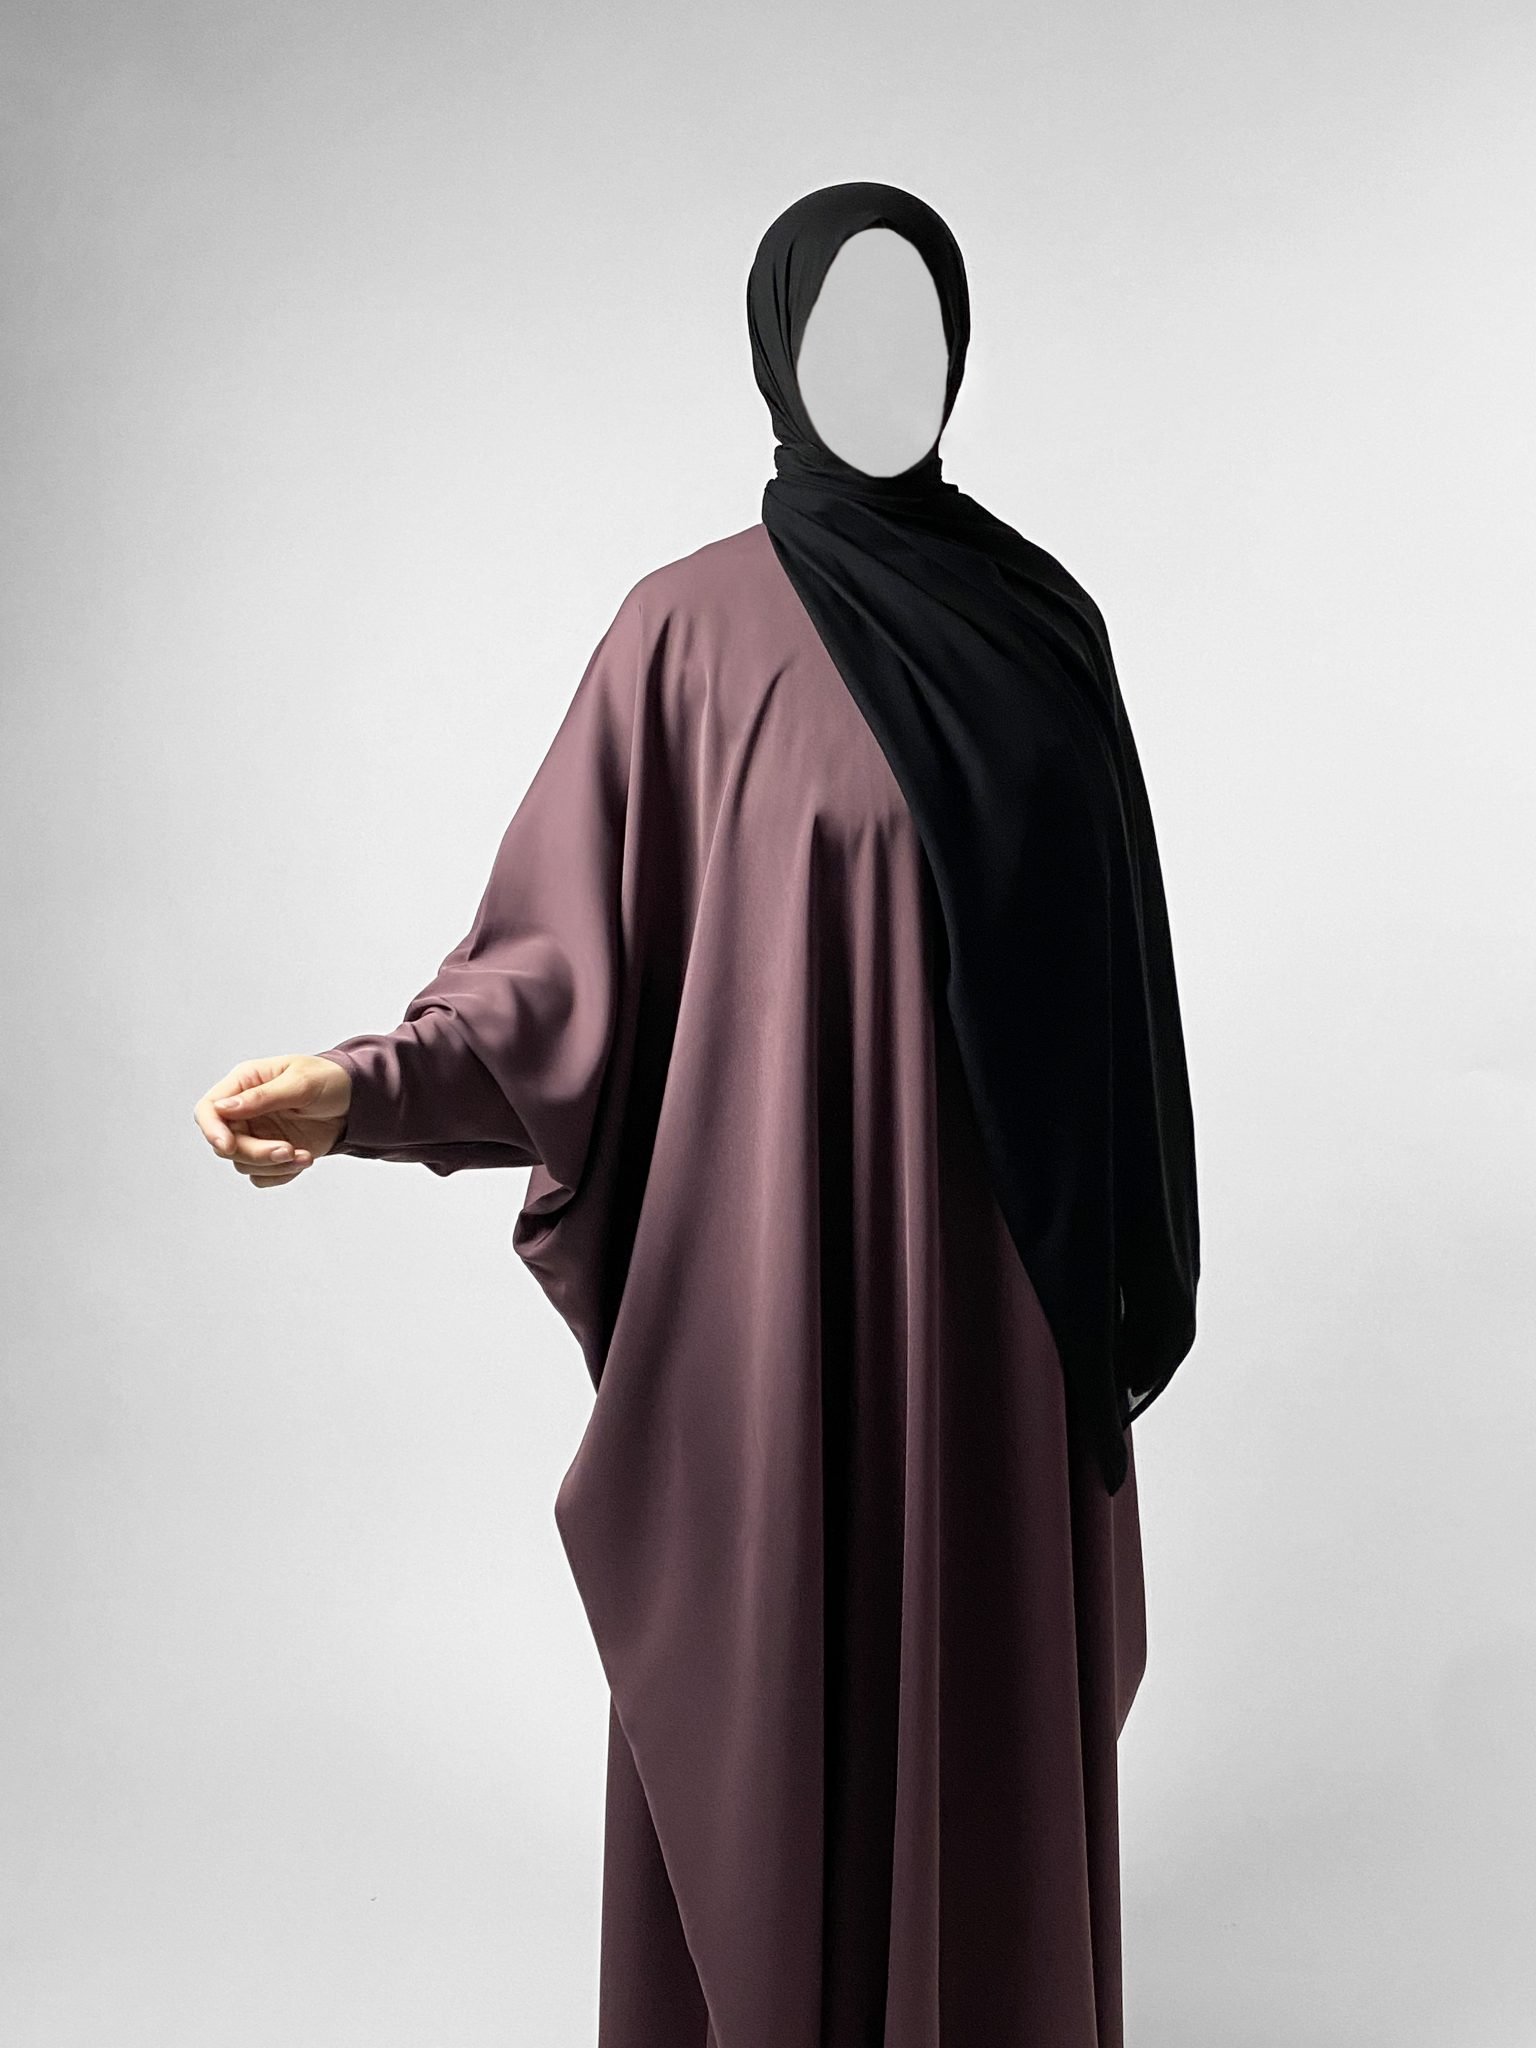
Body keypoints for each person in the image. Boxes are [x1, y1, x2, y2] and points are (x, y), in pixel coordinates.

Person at [193, 180, 1198, 2048]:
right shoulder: (687, 638)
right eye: (846, 329)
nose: (889, 368)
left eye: (922, 326)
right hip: (781, 1314)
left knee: (976, 1735)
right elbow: (553, 978)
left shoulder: (1047, 632)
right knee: (774, 1722)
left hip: (997, 1332)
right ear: (775, 354)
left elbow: (1122, 1004)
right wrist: (362, 1090)